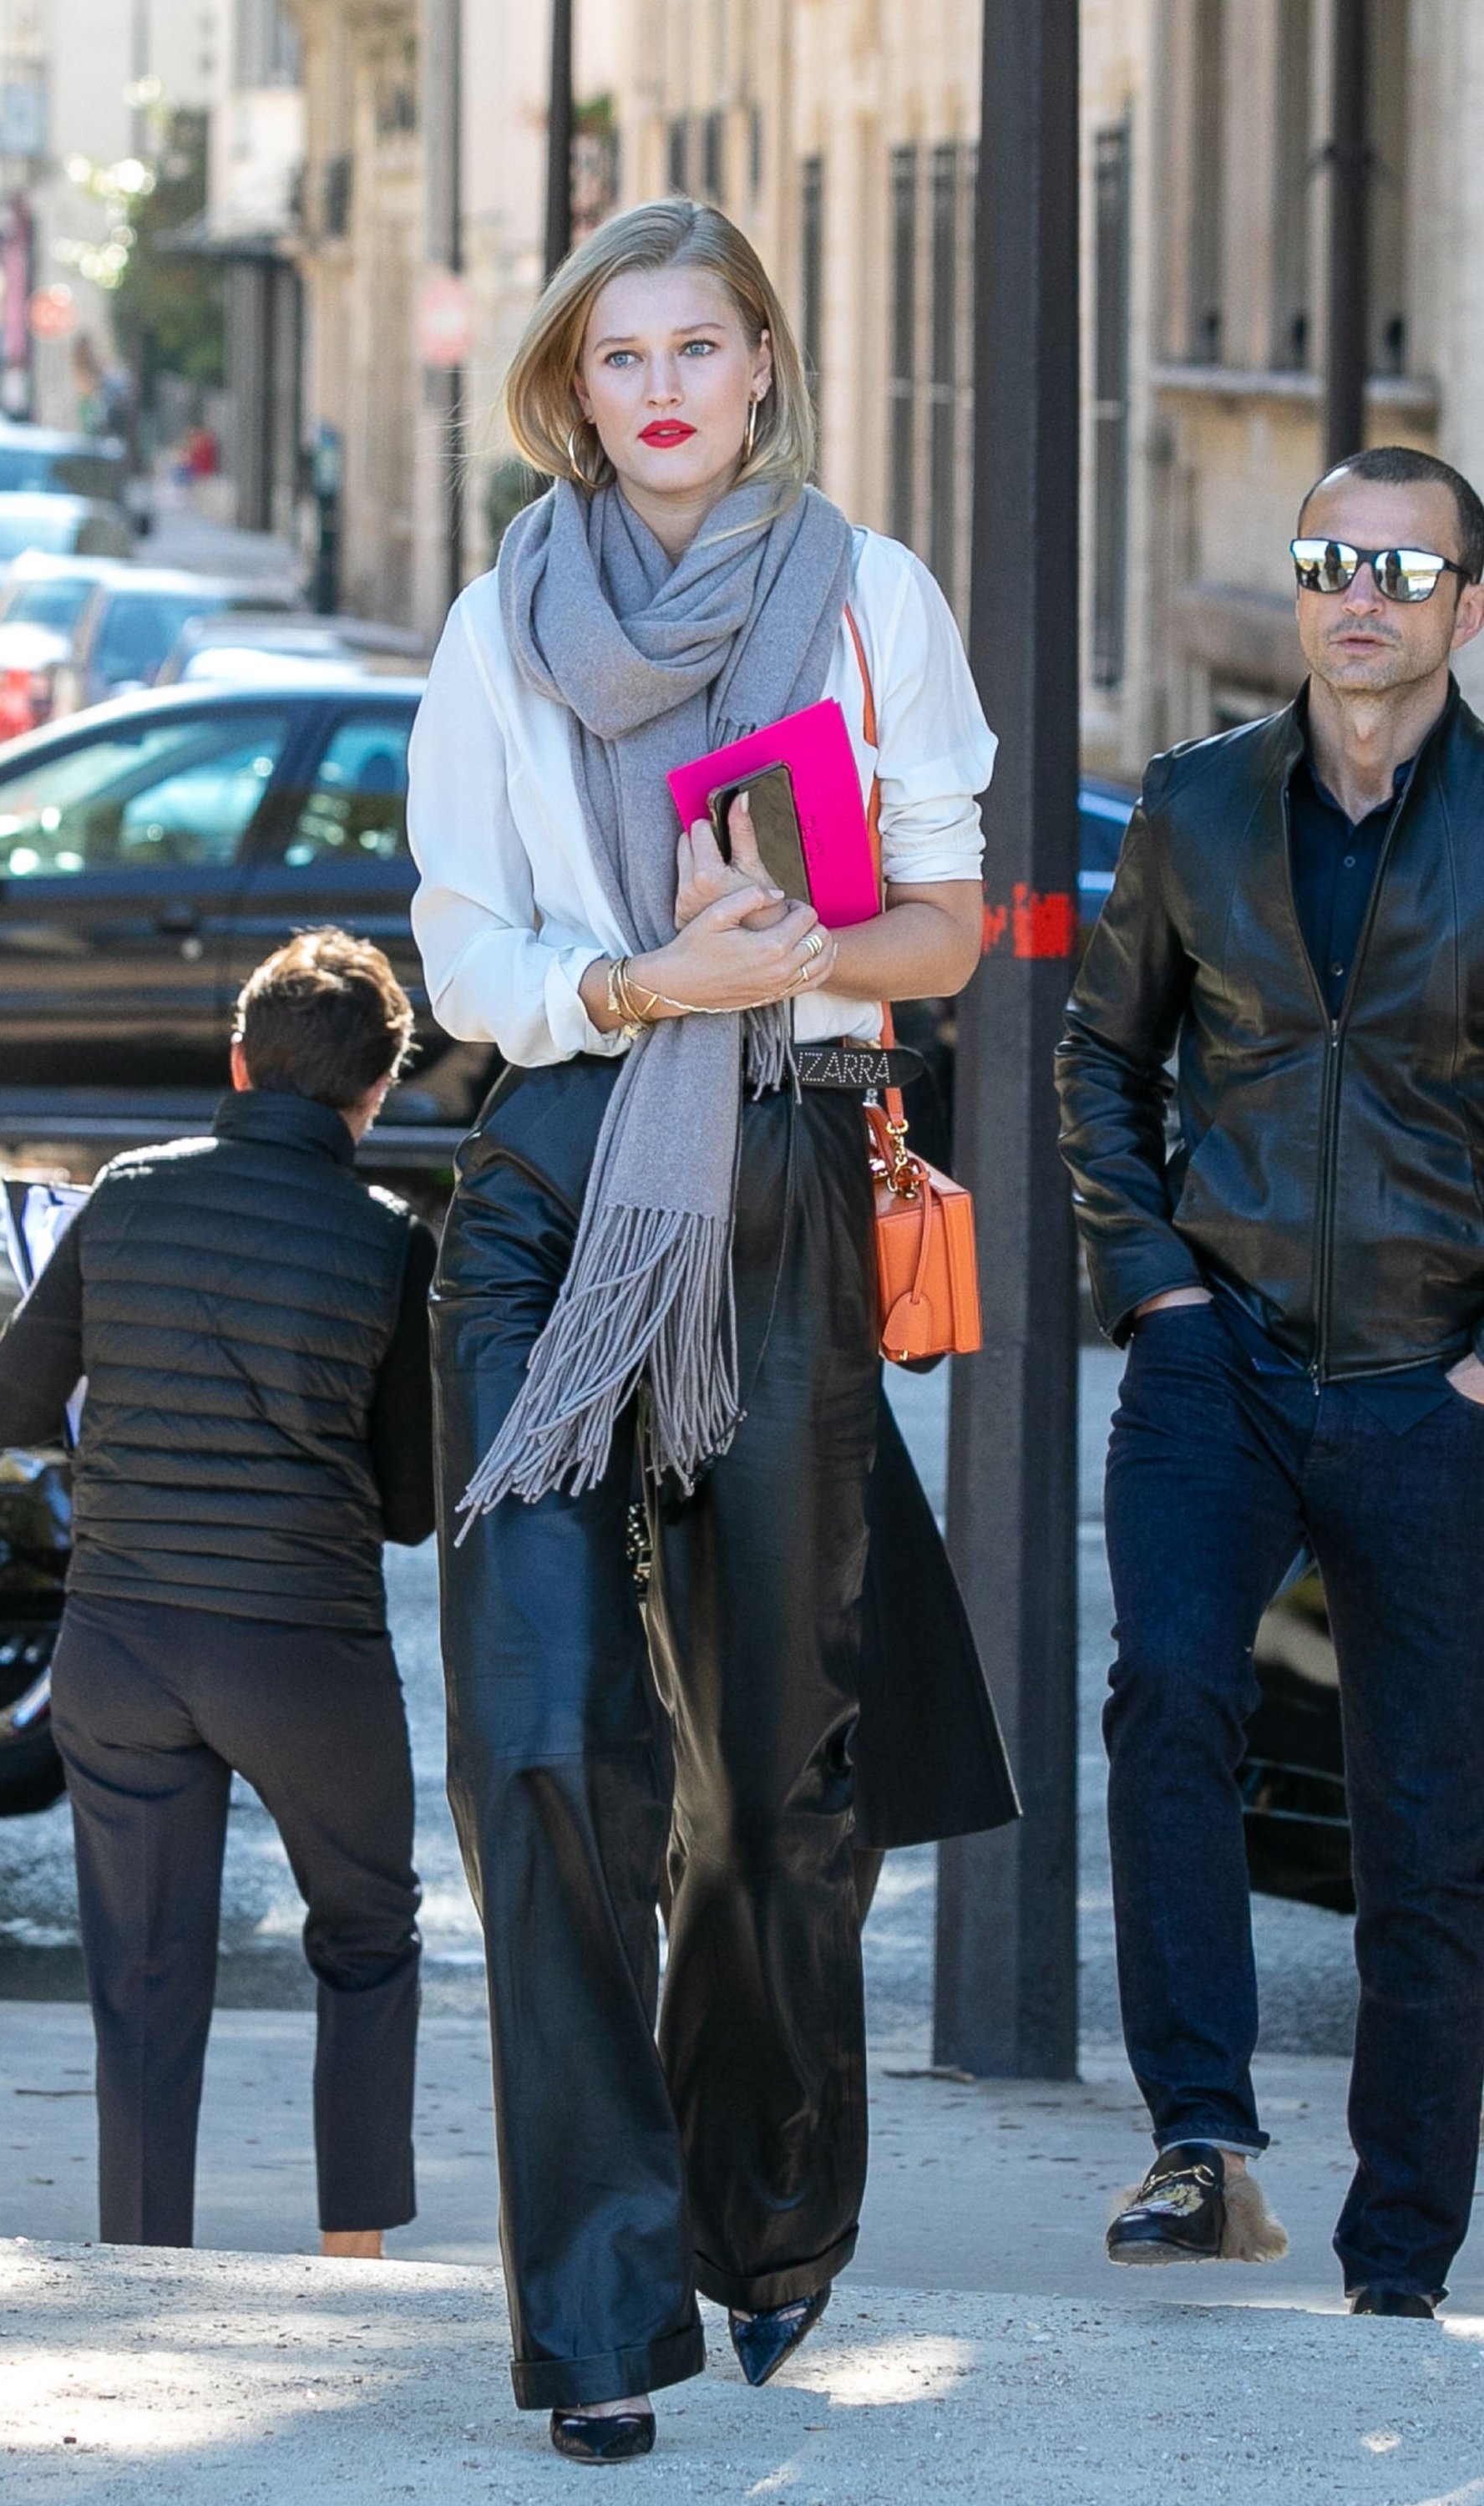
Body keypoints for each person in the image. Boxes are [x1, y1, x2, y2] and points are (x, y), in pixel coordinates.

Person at [407, 196, 993, 2462]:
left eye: (698, 346)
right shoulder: (496, 625)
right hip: (553, 1192)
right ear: (576, 389)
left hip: (783, 1183)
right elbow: (465, 953)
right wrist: (657, 979)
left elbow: (949, 916)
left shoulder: (873, 597)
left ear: (762, 365)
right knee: (546, 1748)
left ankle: (767, 2217)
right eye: (617, 355)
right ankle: (596, 2312)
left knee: (769, 1784)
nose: (659, 387)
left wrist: (817, 950)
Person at [1057, 445, 1484, 2318]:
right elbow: (1097, 1062)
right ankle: (1202, 2140)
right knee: (1164, 1692)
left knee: (1428, 1830)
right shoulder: (1192, 806)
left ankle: (1396, 2266)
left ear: (1465, 604)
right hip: (1213, 1359)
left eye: (1402, 565)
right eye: (1330, 559)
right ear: (1299, 588)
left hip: (1427, 1385)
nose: (1360, 593)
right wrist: (1146, 1284)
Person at [0, 930, 436, 2259]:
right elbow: (407, 1507)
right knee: (365, 1933)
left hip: (119, 1649)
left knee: (144, 1973)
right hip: (302, 1653)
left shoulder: (121, 1197)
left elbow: (2, 1402)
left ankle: (142, 2263)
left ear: (238, 1057)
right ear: (377, 1089)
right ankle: (354, 2255)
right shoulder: (388, 1240)